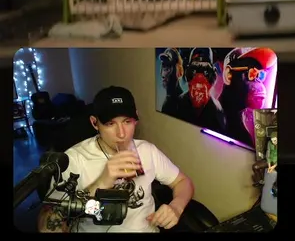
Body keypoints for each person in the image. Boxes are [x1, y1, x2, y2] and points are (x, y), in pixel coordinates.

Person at [38, 86, 195, 233]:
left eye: (127, 121)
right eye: (110, 123)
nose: (122, 134)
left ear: (136, 118)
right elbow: (46, 227)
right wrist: (101, 183)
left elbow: (183, 182)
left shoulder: (147, 150)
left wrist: (176, 207)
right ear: (94, 123)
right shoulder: (74, 159)